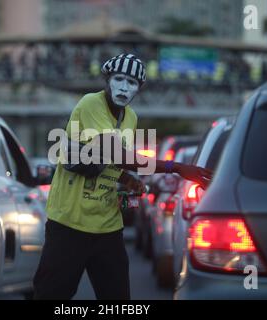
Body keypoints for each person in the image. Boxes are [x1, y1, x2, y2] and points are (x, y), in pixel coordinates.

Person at [33, 54, 212, 300]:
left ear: (139, 89)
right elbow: (115, 153)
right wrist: (176, 166)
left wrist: (127, 180)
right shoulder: (90, 104)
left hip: (107, 226)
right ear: (107, 80)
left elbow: (109, 160)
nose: (124, 87)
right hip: (69, 223)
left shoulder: (131, 117)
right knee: (51, 295)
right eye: (119, 79)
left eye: (132, 82)